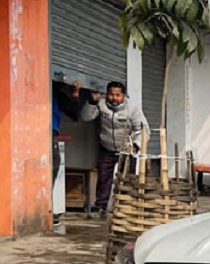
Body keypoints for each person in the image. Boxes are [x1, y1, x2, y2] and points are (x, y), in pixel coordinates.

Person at [75, 81, 149, 216]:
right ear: (106, 94)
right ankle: (100, 207)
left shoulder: (132, 108)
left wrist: (135, 146)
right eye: (111, 94)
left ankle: (126, 207)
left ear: (124, 96)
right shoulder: (101, 103)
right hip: (106, 147)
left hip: (126, 149)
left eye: (118, 95)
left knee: (127, 179)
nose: (114, 98)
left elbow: (143, 129)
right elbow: (86, 117)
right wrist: (92, 102)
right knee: (103, 177)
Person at [52, 82, 83, 225]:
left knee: (52, 169)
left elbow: (74, 113)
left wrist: (75, 93)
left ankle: (48, 209)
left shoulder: (57, 91)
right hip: (37, 129)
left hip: (50, 132)